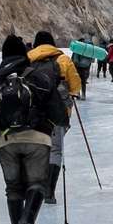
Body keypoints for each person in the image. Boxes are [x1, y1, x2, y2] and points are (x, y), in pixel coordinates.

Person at [0, 34, 70, 224]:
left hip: (6, 141)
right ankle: (28, 219)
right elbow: (58, 113)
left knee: (13, 188)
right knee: (37, 183)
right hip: (37, 138)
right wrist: (58, 123)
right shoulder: (39, 76)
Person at [26, 31, 81, 201]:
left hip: (33, 113)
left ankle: (33, 189)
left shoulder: (28, 58)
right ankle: (49, 192)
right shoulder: (63, 59)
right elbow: (75, 86)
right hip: (58, 113)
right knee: (55, 150)